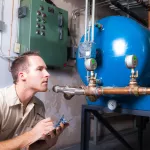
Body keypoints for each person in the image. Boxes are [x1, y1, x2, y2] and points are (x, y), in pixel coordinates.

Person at [0, 51, 69, 150]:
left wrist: (47, 144)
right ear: (22, 76)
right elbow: (30, 136)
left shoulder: (39, 107)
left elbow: (29, 147)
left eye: (46, 69)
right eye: (40, 69)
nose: (47, 74)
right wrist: (32, 134)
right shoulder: (1, 101)